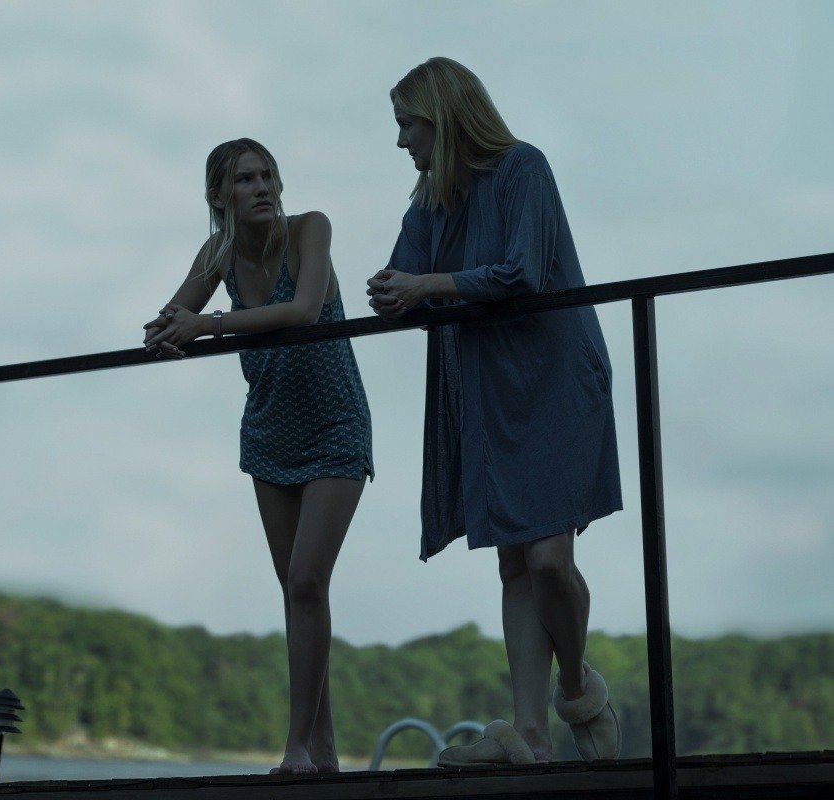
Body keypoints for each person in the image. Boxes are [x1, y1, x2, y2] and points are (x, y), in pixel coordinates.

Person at [367, 57, 623, 765]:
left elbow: (522, 272)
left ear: (443, 118)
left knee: (548, 561)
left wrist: (425, 286)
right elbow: (402, 283)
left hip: (556, 379)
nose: (401, 141)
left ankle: (579, 691)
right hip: (490, 388)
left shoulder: (522, 169)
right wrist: (391, 292)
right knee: (514, 562)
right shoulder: (429, 203)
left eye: (407, 124)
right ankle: (530, 732)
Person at [143, 138, 373, 774]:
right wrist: (166, 329)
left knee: (307, 581)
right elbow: (175, 316)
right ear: (219, 196)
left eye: (268, 175)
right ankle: (322, 752)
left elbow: (304, 310)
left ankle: (296, 748)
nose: (263, 187)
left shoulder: (309, 229)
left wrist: (209, 325)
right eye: (245, 179)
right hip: (271, 433)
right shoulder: (217, 254)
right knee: (296, 594)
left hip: (335, 425)